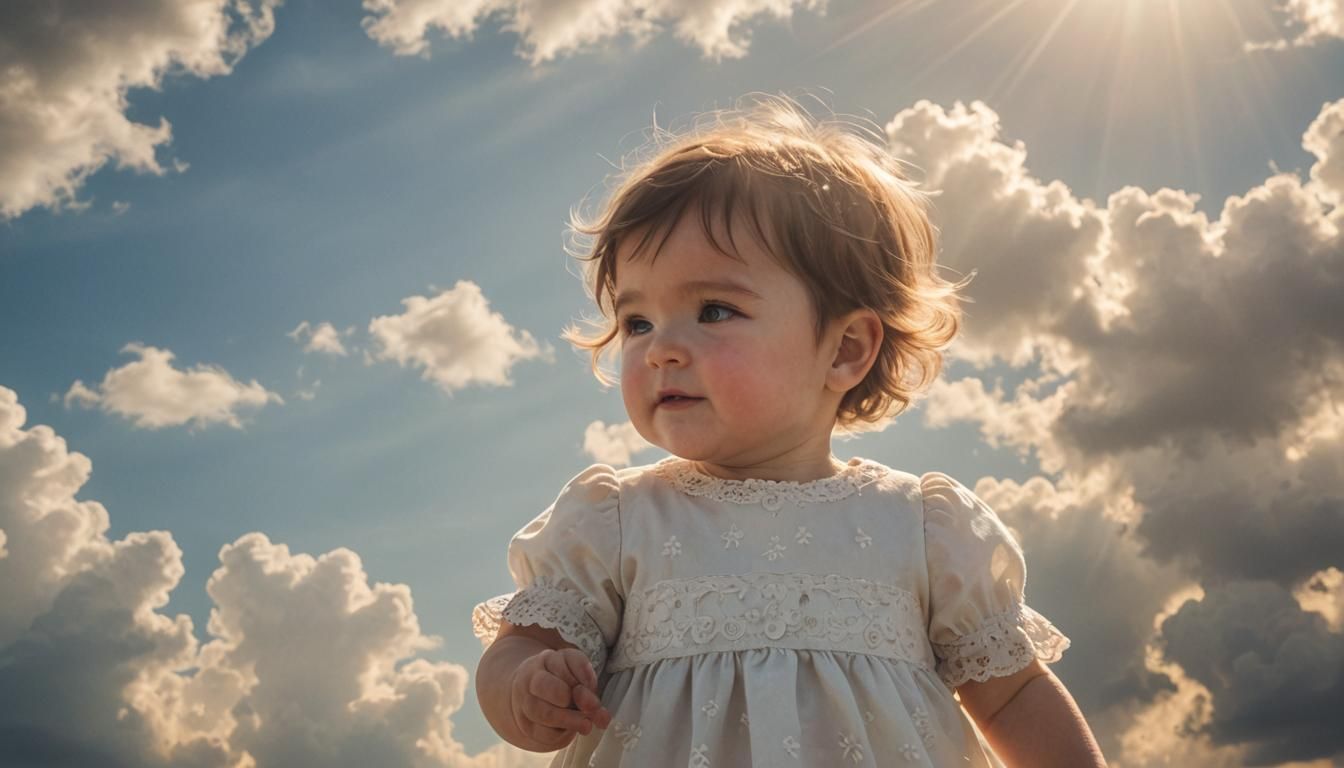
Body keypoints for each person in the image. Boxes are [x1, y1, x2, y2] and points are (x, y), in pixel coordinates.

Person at [471, 94, 1106, 767]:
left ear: (844, 350)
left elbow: (1011, 697)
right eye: (638, 323)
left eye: (713, 310)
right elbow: (525, 642)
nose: (661, 349)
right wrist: (524, 686)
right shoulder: (615, 521)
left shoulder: (924, 530)